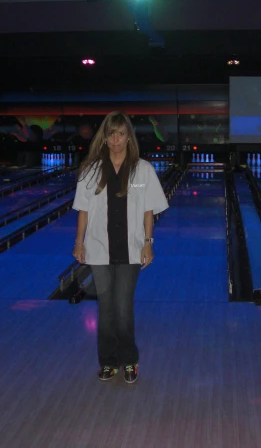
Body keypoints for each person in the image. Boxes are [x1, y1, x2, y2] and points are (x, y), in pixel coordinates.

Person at [72, 111, 169, 383]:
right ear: (104, 137)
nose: (116, 139)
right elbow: (83, 210)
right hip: (98, 249)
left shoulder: (143, 169)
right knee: (106, 309)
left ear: (129, 137)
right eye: (111, 134)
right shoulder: (91, 170)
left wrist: (149, 244)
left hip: (131, 248)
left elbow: (149, 211)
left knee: (123, 307)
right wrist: (79, 243)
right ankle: (108, 361)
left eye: (121, 134)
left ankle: (129, 359)